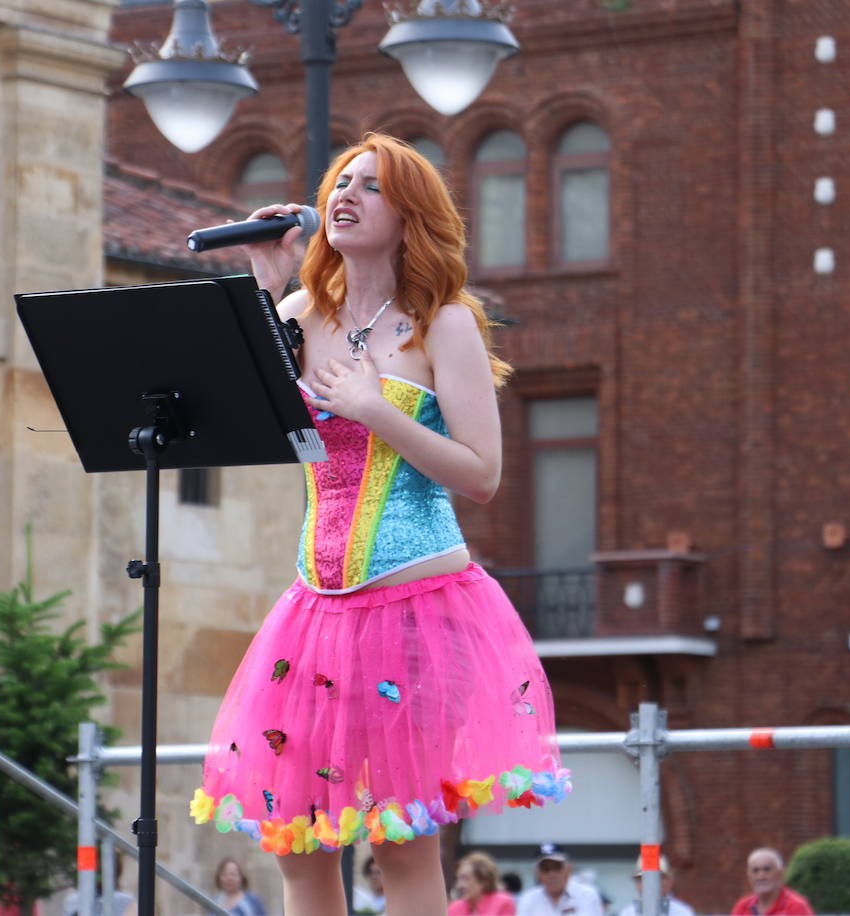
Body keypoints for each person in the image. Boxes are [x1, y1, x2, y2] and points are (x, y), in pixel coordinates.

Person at [187, 132, 569, 916]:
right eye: (340, 182)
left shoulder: (445, 323)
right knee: (297, 842)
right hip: (314, 612)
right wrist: (265, 285)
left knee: (400, 840)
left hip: (418, 610)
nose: (346, 195)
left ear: (410, 217)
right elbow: (255, 427)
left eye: (371, 186)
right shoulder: (297, 311)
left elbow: (483, 475)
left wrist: (372, 410)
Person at [518, 845, 605, 916]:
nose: (551, 874)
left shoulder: (587, 895)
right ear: (538, 873)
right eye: (545, 868)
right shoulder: (528, 898)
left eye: (557, 867)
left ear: (569, 869)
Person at [731, 848, 814, 916]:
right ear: (749, 876)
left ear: (780, 873)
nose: (760, 876)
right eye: (755, 871)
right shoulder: (742, 907)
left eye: (767, 869)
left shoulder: (796, 906)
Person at [615, 854, 694, 916]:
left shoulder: (681, 912)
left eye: (652, 879)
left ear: (668, 881)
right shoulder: (628, 912)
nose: (643, 884)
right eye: (640, 879)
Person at [449, 851, 517, 915]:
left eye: (465, 878)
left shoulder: (503, 903)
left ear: (484, 880)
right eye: (458, 879)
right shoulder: (455, 907)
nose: (459, 885)